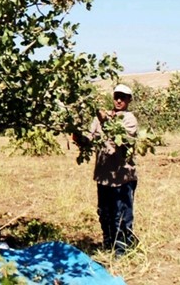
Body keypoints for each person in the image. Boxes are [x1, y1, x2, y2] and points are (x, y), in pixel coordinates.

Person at [73, 84, 139, 256]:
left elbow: (122, 139)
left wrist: (105, 121)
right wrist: (78, 136)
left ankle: (122, 250)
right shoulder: (100, 117)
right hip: (103, 176)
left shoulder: (129, 119)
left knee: (122, 215)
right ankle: (108, 245)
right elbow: (89, 138)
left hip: (122, 177)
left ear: (129, 100)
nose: (119, 100)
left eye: (123, 97)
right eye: (117, 96)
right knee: (105, 213)